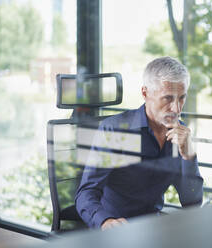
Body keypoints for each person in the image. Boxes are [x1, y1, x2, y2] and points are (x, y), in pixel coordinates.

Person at [75, 56, 204, 230]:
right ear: (145, 93)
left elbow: (192, 202)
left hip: (153, 230)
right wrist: (105, 222)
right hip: (116, 230)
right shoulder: (115, 131)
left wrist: (189, 156)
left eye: (182, 98)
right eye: (167, 98)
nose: (176, 109)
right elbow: (86, 193)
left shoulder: (179, 135)